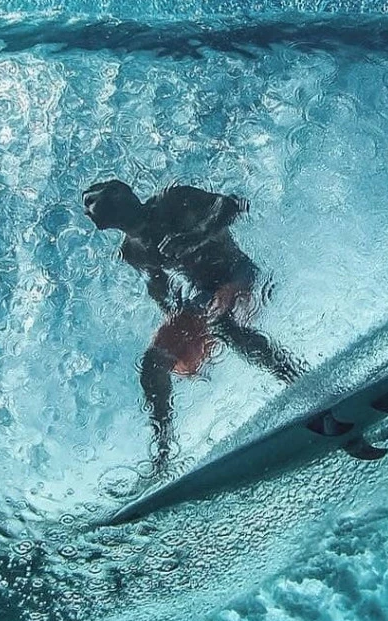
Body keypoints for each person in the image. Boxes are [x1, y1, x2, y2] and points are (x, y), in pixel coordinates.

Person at [82, 179, 305, 474]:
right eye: (87, 202)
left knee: (219, 323)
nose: (90, 203)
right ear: (99, 224)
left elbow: (233, 204)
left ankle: (300, 383)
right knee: (153, 362)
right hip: (205, 299)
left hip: (243, 275)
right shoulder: (131, 252)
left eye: (98, 194)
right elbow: (158, 285)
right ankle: (163, 453)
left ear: (125, 191)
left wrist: (196, 236)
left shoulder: (172, 200)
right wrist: (177, 326)